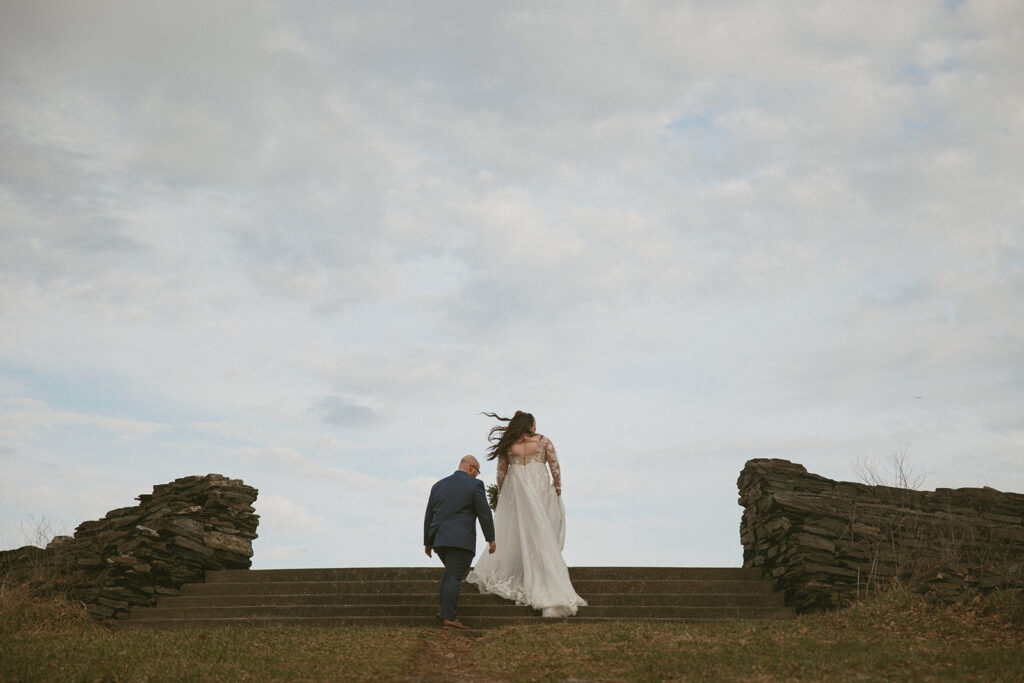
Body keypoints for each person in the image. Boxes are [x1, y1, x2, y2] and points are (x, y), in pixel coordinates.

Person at [466, 411, 587, 617]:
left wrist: (503, 495)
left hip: (517, 491)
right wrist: (557, 487)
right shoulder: (543, 441)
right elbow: (555, 465)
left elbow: (501, 473)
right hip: (538, 487)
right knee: (540, 532)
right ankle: (545, 580)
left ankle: (523, 572)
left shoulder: (508, 446)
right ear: (530, 425)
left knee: (518, 533)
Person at [423, 454, 496, 629]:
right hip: (460, 540)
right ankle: (449, 617)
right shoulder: (474, 485)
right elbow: (484, 513)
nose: (477, 476)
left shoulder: (438, 486)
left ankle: (443, 608)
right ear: (471, 468)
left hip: (440, 540)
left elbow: (429, 515)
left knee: (450, 573)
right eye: (477, 472)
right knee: (455, 576)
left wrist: (428, 542)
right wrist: (491, 539)